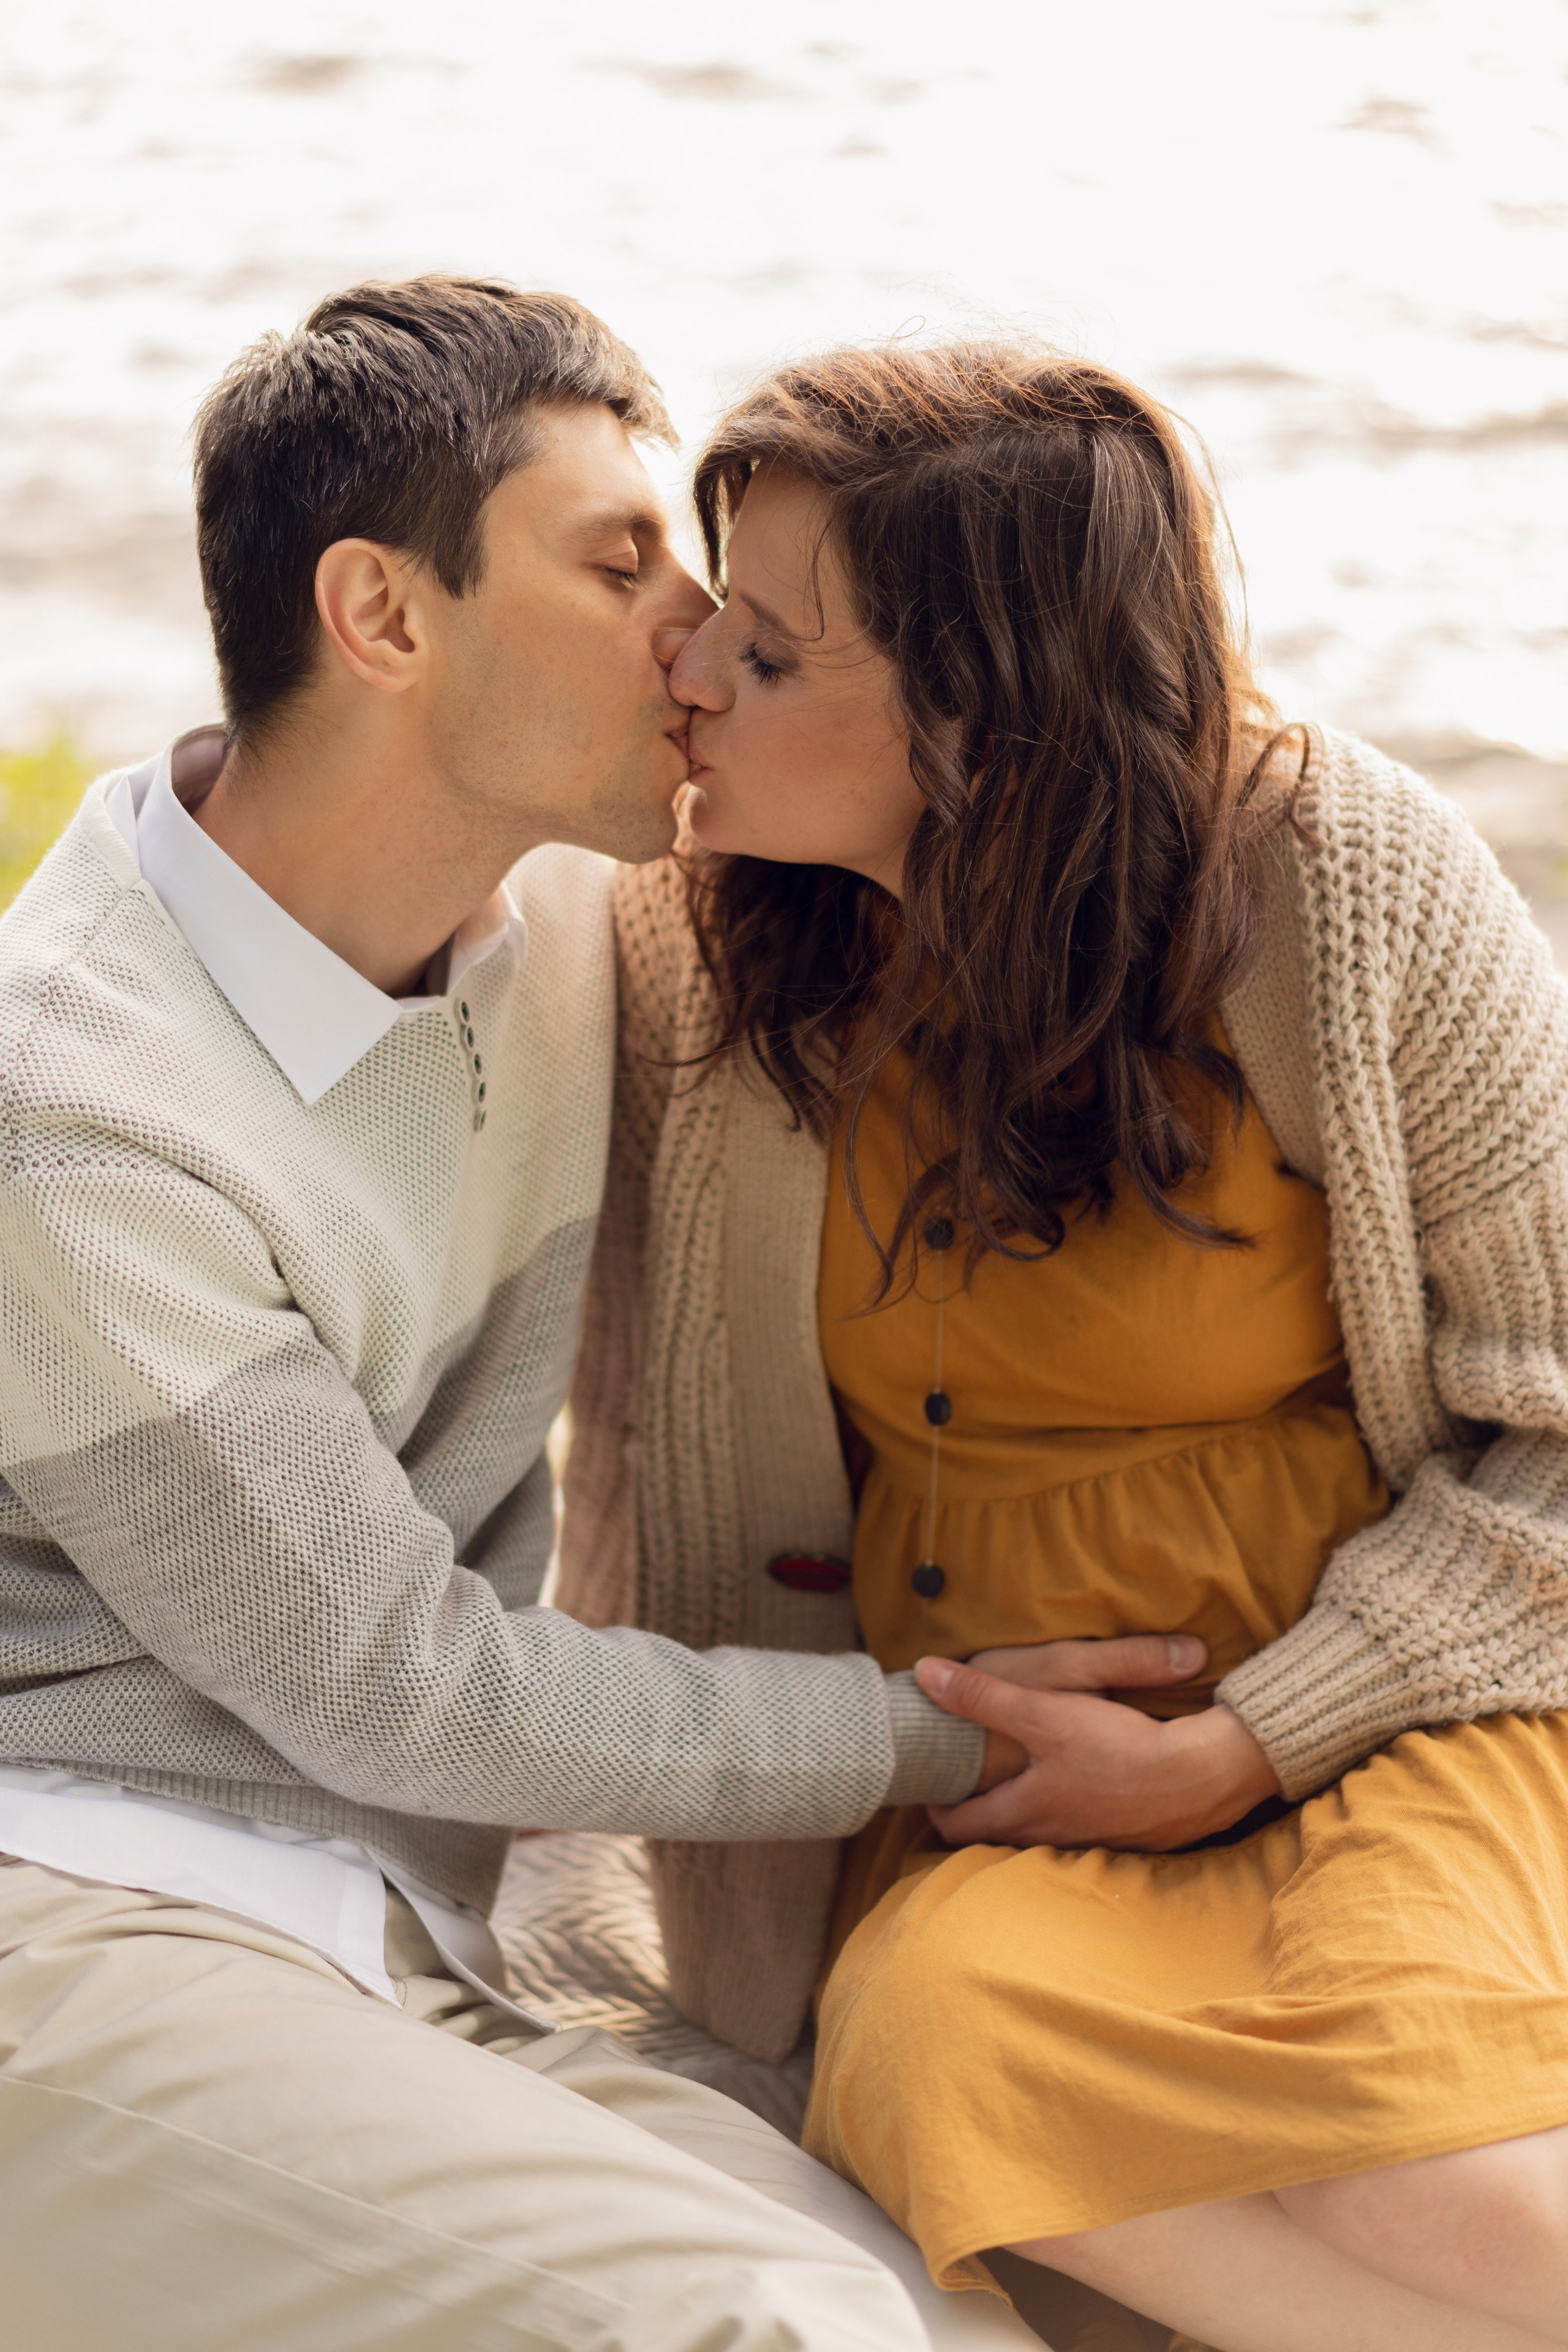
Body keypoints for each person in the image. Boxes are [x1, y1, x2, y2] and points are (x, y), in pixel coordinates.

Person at [0, 277, 1068, 2351]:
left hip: (397, 1933)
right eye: (621, 560)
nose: (702, 626)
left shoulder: (584, 922)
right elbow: (405, 1691)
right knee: (781, 2333)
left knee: (961, 2311)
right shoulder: (75, 1111)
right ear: (382, 617)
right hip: (83, 1908)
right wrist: (960, 1732)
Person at [564, 337, 1568, 2351]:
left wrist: (1243, 1745)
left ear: (984, 717)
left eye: (770, 654)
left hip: (1400, 1716)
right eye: (714, 613)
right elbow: (592, 1432)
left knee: (1410, 2160)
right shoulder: (689, 949)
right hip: (987, 1816)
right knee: (929, 2051)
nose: (690, 671)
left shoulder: (1341, 879)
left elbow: (1553, 1421)